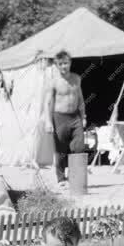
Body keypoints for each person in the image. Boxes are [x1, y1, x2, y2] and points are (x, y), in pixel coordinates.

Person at [44, 50, 87, 187]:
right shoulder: (53, 82)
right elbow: (48, 103)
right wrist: (48, 121)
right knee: (61, 149)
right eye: (61, 64)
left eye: (66, 63)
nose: (64, 66)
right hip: (59, 117)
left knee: (79, 146)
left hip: (75, 117)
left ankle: (76, 178)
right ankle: (61, 179)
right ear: (56, 65)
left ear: (70, 63)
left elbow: (80, 99)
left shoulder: (76, 78)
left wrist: (83, 116)